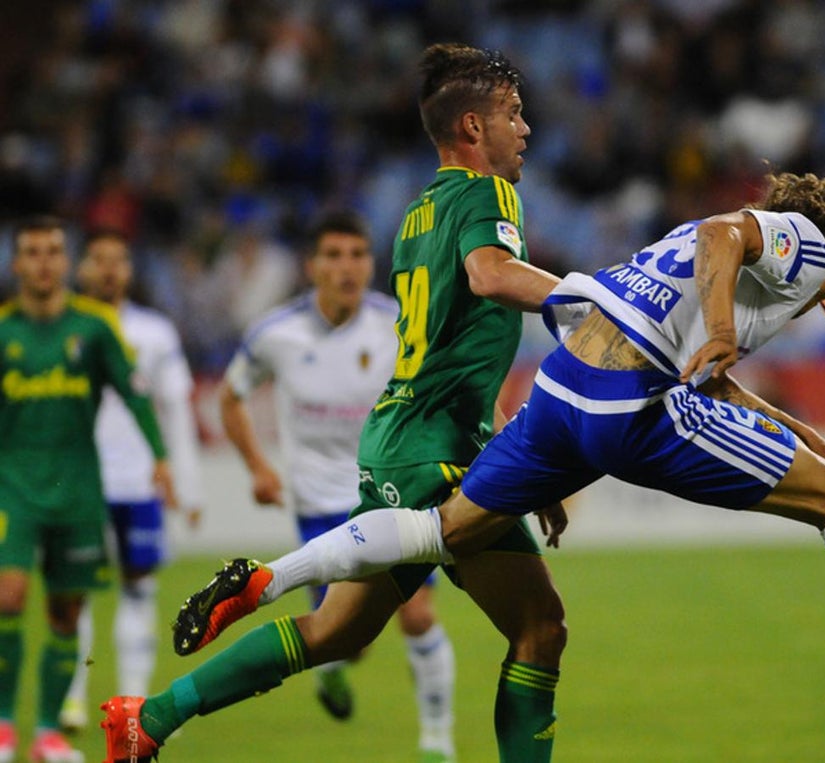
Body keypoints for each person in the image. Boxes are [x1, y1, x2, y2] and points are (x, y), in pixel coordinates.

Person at [171, 170, 825, 732]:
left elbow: (703, 353)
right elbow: (724, 235)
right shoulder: (812, 242)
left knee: (444, 529)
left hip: (559, 391)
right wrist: (721, 328)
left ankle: (269, 577)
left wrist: (796, 425)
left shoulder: (726, 281)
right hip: (630, 402)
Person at [101, 43, 568, 763]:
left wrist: (514, 452)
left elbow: (452, 357)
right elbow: (490, 274)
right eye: (513, 113)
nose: (526, 129)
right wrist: (594, 301)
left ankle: (151, 716)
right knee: (540, 626)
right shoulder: (489, 195)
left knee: (337, 634)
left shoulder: (418, 215)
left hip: (407, 440)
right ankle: (272, 580)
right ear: (472, 128)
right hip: (439, 455)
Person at [217, 210, 457, 758]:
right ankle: (330, 673)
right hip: (319, 506)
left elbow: (438, 394)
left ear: (370, 265)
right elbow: (229, 398)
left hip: (391, 493)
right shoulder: (276, 335)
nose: (346, 267)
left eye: (356, 255)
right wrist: (257, 465)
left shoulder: (399, 324)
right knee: (343, 637)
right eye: (333, 255)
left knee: (418, 614)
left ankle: (437, 742)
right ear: (312, 266)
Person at [0, 216, 173, 763]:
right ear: (17, 263)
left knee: (65, 612)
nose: (44, 261)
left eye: (53, 251)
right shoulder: (3, 333)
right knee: (9, 596)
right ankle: (4, 727)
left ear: (65, 262)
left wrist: (161, 457)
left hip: (78, 486)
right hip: (13, 487)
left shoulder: (95, 329)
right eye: (33, 251)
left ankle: (48, 732)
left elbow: (136, 393)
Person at [57, 230, 204, 734]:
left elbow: (177, 408)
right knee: (76, 590)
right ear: (81, 269)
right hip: (81, 480)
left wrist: (187, 480)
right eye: (98, 260)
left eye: (119, 260)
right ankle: (72, 698)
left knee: (138, 589)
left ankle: (135, 702)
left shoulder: (155, 333)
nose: (109, 270)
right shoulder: (63, 328)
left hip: (140, 481)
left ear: (130, 270)